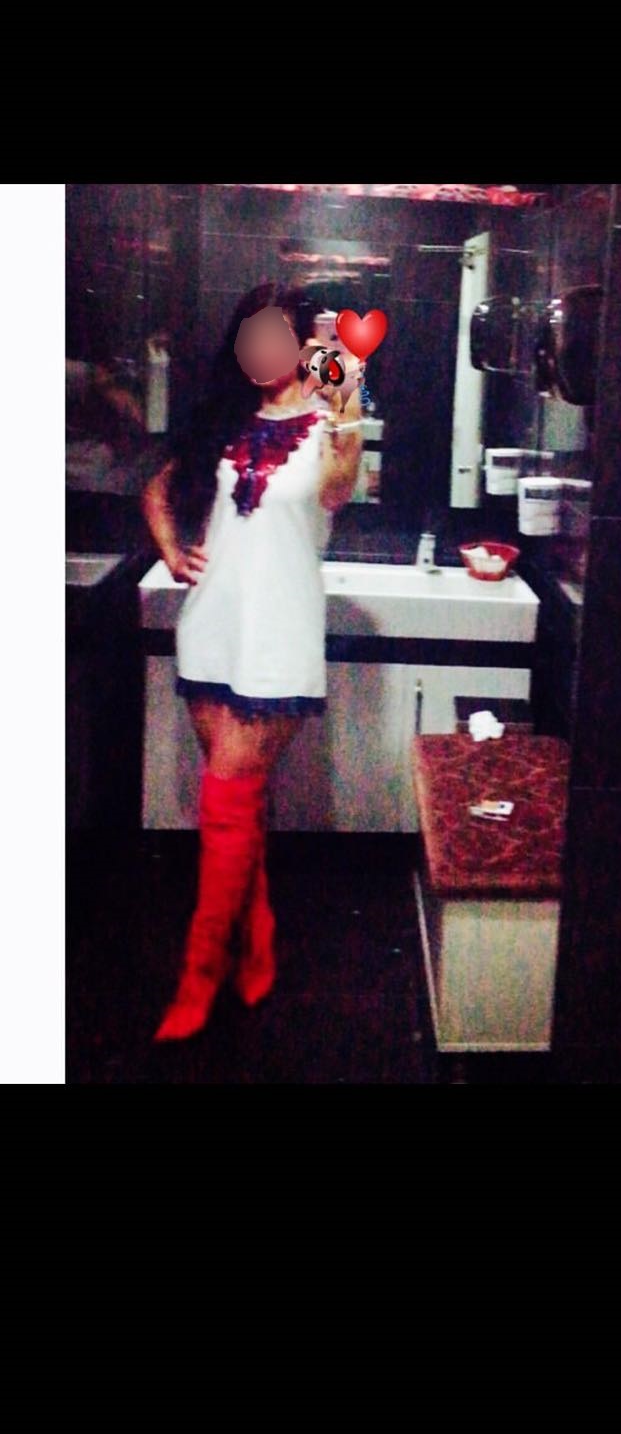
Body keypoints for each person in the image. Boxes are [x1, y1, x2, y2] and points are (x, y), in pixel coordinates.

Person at [141, 280, 364, 1042]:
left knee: (227, 804)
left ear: (302, 344)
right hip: (210, 631)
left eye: (276, 334)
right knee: (238, 811)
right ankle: (258, 945)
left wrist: (343, 384)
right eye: (250, 336)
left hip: (280, 642)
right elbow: (157, 490)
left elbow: (339, 488)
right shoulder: (224, 421)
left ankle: (197, 981)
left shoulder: (331, 425)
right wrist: (174, 551)